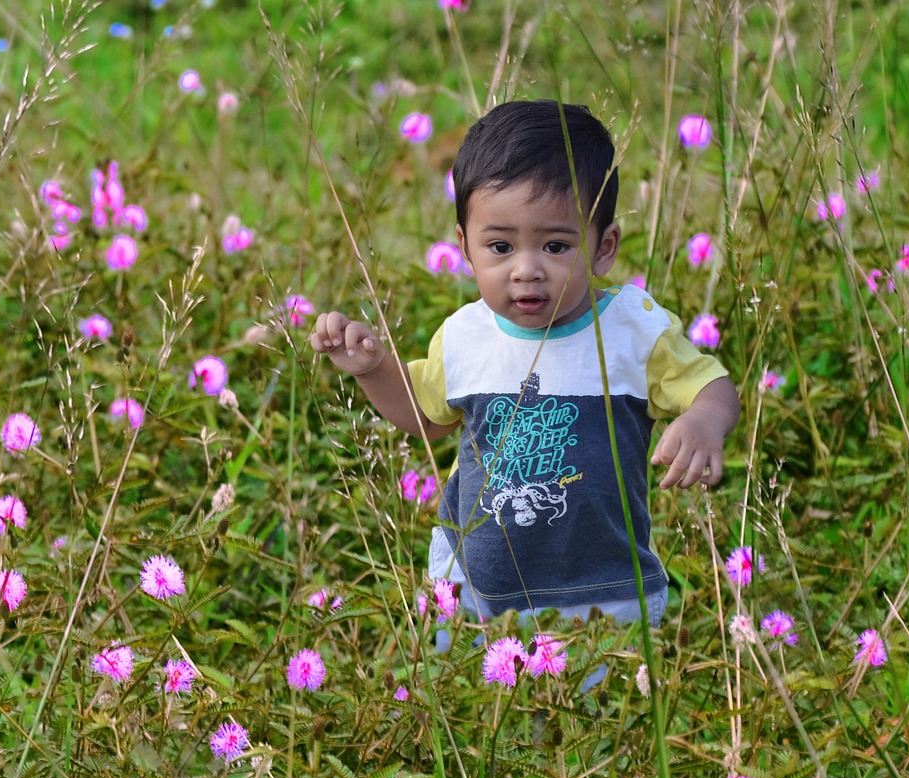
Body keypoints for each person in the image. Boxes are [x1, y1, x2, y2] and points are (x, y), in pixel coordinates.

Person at [310, 100, 740, 641]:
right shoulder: (467, 335)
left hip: (604, 590)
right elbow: (429, 419)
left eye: (556, 245)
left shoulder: (633, 331)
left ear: (603, 248)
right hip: (473, 586)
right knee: (476, 710)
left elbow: (713, 386)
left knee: (596, 715)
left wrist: (704, 419)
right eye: (501, 246)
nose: (527, 270)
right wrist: (373, 369)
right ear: (465, 247)